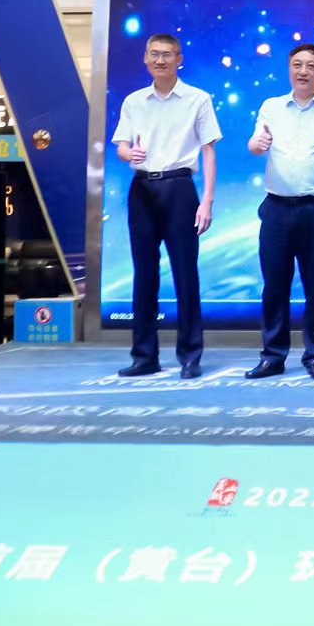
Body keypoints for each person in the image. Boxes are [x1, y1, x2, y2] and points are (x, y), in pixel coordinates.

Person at [245, 43, 314, 381]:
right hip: (276, 209)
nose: (303, 71)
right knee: (274, 286)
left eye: (310, 65)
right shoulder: (271, 107)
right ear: (289, 69)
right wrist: (257, 145)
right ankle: (272, 356)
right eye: (297, 64)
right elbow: (255, 144)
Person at [111, 32, 220, 379]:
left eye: (167, 54)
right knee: (144, 275)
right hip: (142, 189)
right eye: (154, 54)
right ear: (145, 58)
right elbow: (121, 145)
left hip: (180, 189)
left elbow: (208, 150)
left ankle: (190, 355)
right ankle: (144, 356)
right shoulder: (134, 101)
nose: (160, 60)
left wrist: (207, 200)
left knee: (186, 274)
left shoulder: (198, 99)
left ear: (179, 59)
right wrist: (129, 154)